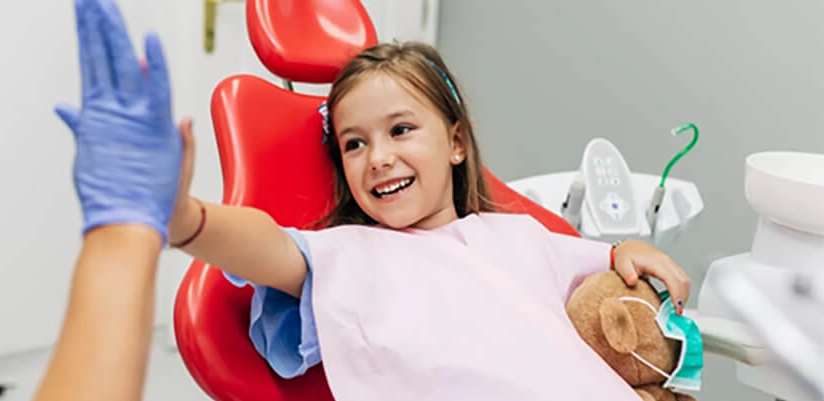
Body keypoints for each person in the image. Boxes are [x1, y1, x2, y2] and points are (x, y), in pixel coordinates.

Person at [37, 0, 691, 399]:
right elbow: (268, 244)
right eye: (353, 144)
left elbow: (598, 269)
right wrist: (183, 219)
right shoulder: (352, 254)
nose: (377, 157)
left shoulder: (520, 236)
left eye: (401, 130)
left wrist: (627, 248)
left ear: (457, 140)